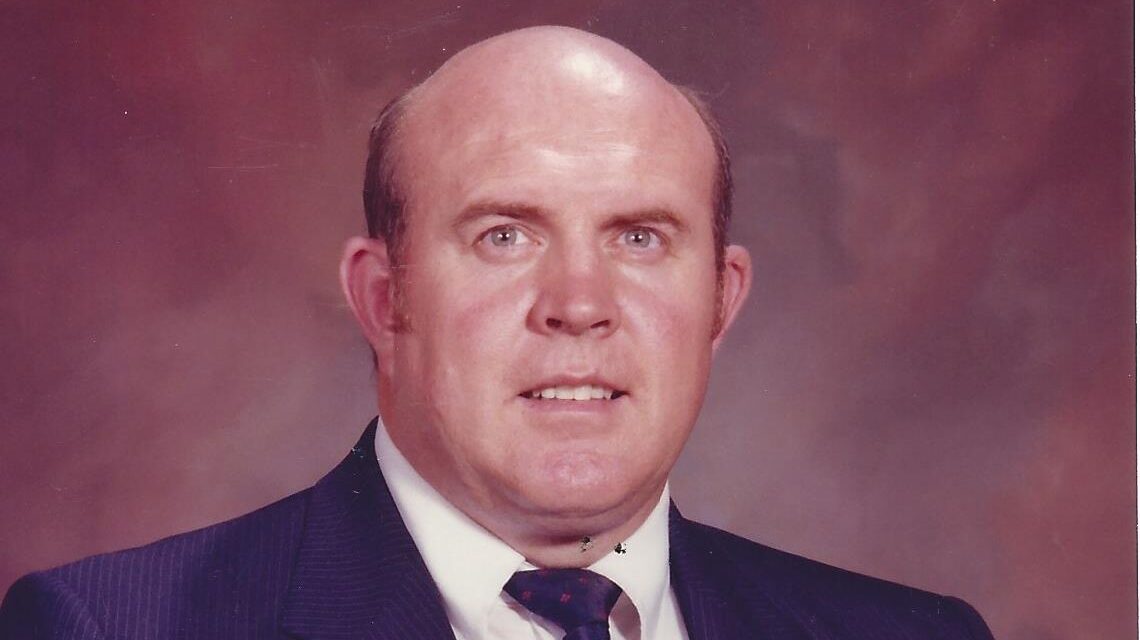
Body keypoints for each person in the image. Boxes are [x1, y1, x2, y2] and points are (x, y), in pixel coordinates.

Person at [0, 26, 994, 640]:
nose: (579, 302)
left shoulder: (916, 636)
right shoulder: (110, 627)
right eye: (504, 235)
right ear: (383, 298)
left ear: (721, 304)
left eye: (640, 237)